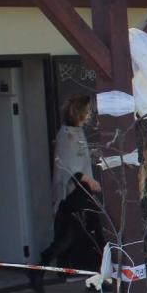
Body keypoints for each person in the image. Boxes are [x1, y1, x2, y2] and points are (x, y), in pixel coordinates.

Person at [40, 96, 105, 278]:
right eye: (87, 110)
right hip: (75, 191)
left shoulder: (76, 132)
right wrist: (88, 180)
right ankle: (94, 274)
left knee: (77, 233)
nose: (90, 114)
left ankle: (47, 264)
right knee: (81, 233)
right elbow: (66, 167)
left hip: (82, 190)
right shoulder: (67, 135)